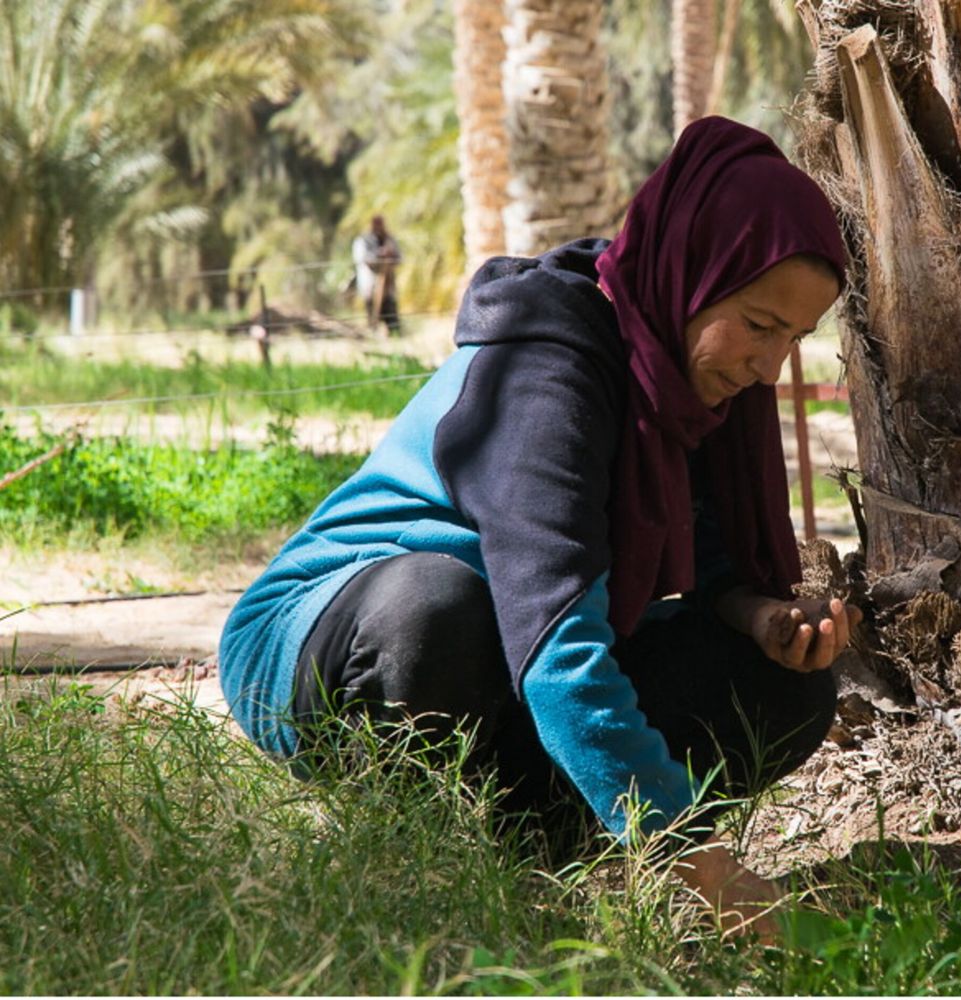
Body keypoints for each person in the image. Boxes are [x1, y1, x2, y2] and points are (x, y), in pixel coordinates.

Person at [219, 117, 859, 940]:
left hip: (497, 655)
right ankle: (418, 861)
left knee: (784, 684)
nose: (771, 367)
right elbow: (558, 640)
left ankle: (537, 843)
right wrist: (698, 862)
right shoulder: (546, 373)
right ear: (692, 270)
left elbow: (695, 541)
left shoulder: (682, 369)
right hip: (326, 644)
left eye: (797, 338)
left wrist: (757, 614)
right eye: (761, 324)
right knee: (437, 605)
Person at [352, 215, 402, 335]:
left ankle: (394, 338)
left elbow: (399, 258)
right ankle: (372, 338)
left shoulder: (390, 239)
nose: (379, 227)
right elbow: (362, 259)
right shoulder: (363, 240)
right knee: (372, 319)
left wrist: (391, 255)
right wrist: (380, 255)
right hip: (370, 286)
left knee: (392, 319)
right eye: (376, 224)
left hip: (388, 286)